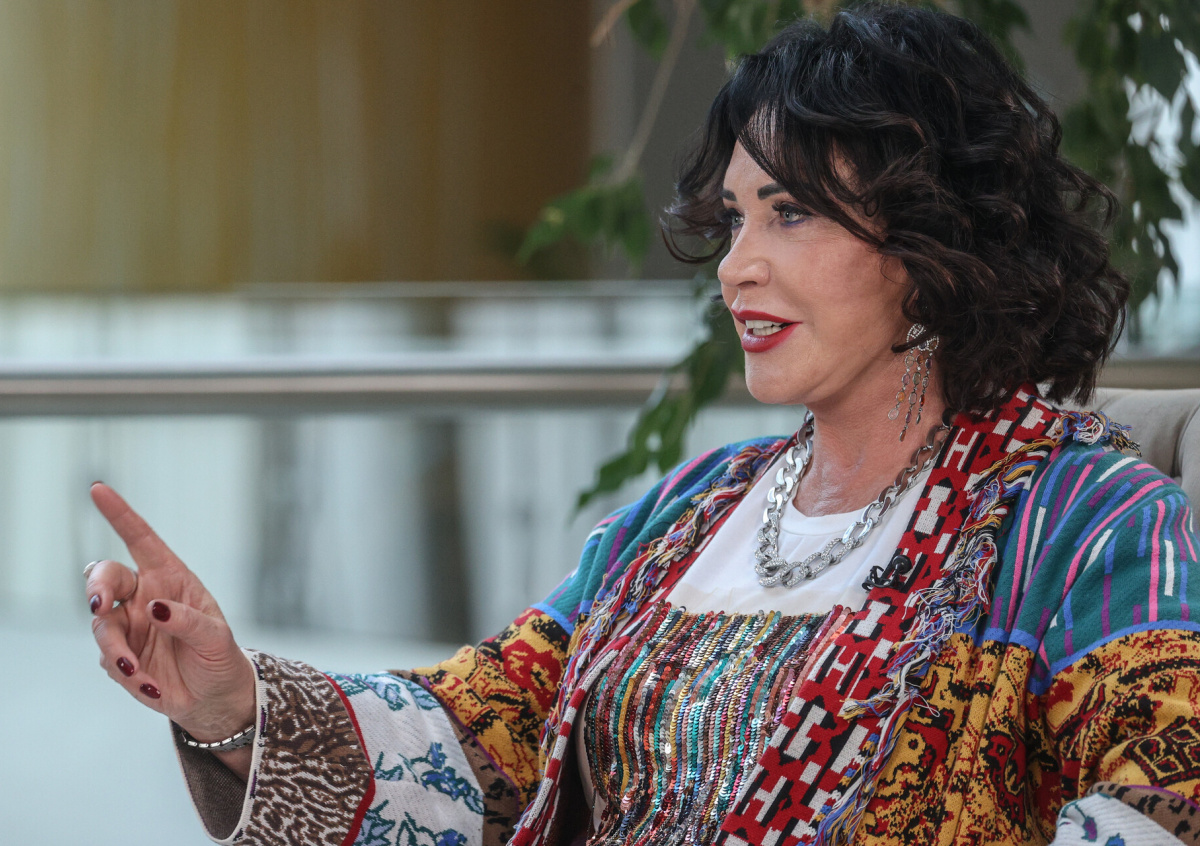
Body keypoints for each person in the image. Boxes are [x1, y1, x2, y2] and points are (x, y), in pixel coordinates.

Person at [86, 4, 1200, 845]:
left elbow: (1163, 806)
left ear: (932, 241)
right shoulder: (689, 513)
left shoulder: (1089, 523)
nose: (736, 266)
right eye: (733, 219)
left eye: (790, 213)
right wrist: (235, 701)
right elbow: (477, 742)